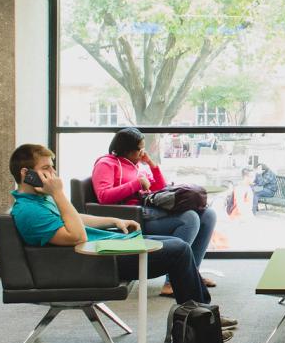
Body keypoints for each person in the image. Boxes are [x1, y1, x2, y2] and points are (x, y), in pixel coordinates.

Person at [8, 144, 233, 332]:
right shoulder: (29, 211)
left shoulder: (39, 201)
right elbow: (76, 235)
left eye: (53, 168)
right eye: (46, 169)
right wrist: (58, 193)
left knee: (176, 244)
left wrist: (113, 221)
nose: (53, 175)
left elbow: (74, 218)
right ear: (25, 174)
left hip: (102, 250)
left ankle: (204, 314)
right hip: (96, 262)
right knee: (180, 250)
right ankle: (203, 321)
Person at [92, 127, 222, 298]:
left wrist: (152, 165)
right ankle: (172, 281)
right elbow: (103, 196)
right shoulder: (106, 164)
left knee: (208, 215)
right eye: (139, 148)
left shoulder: (137, 165)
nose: (142, 152)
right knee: (189, 219)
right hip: (134, 216)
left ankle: (192, 274)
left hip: (151, 210)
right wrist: (137, 184)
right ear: (126, 149)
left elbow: (160, 188)